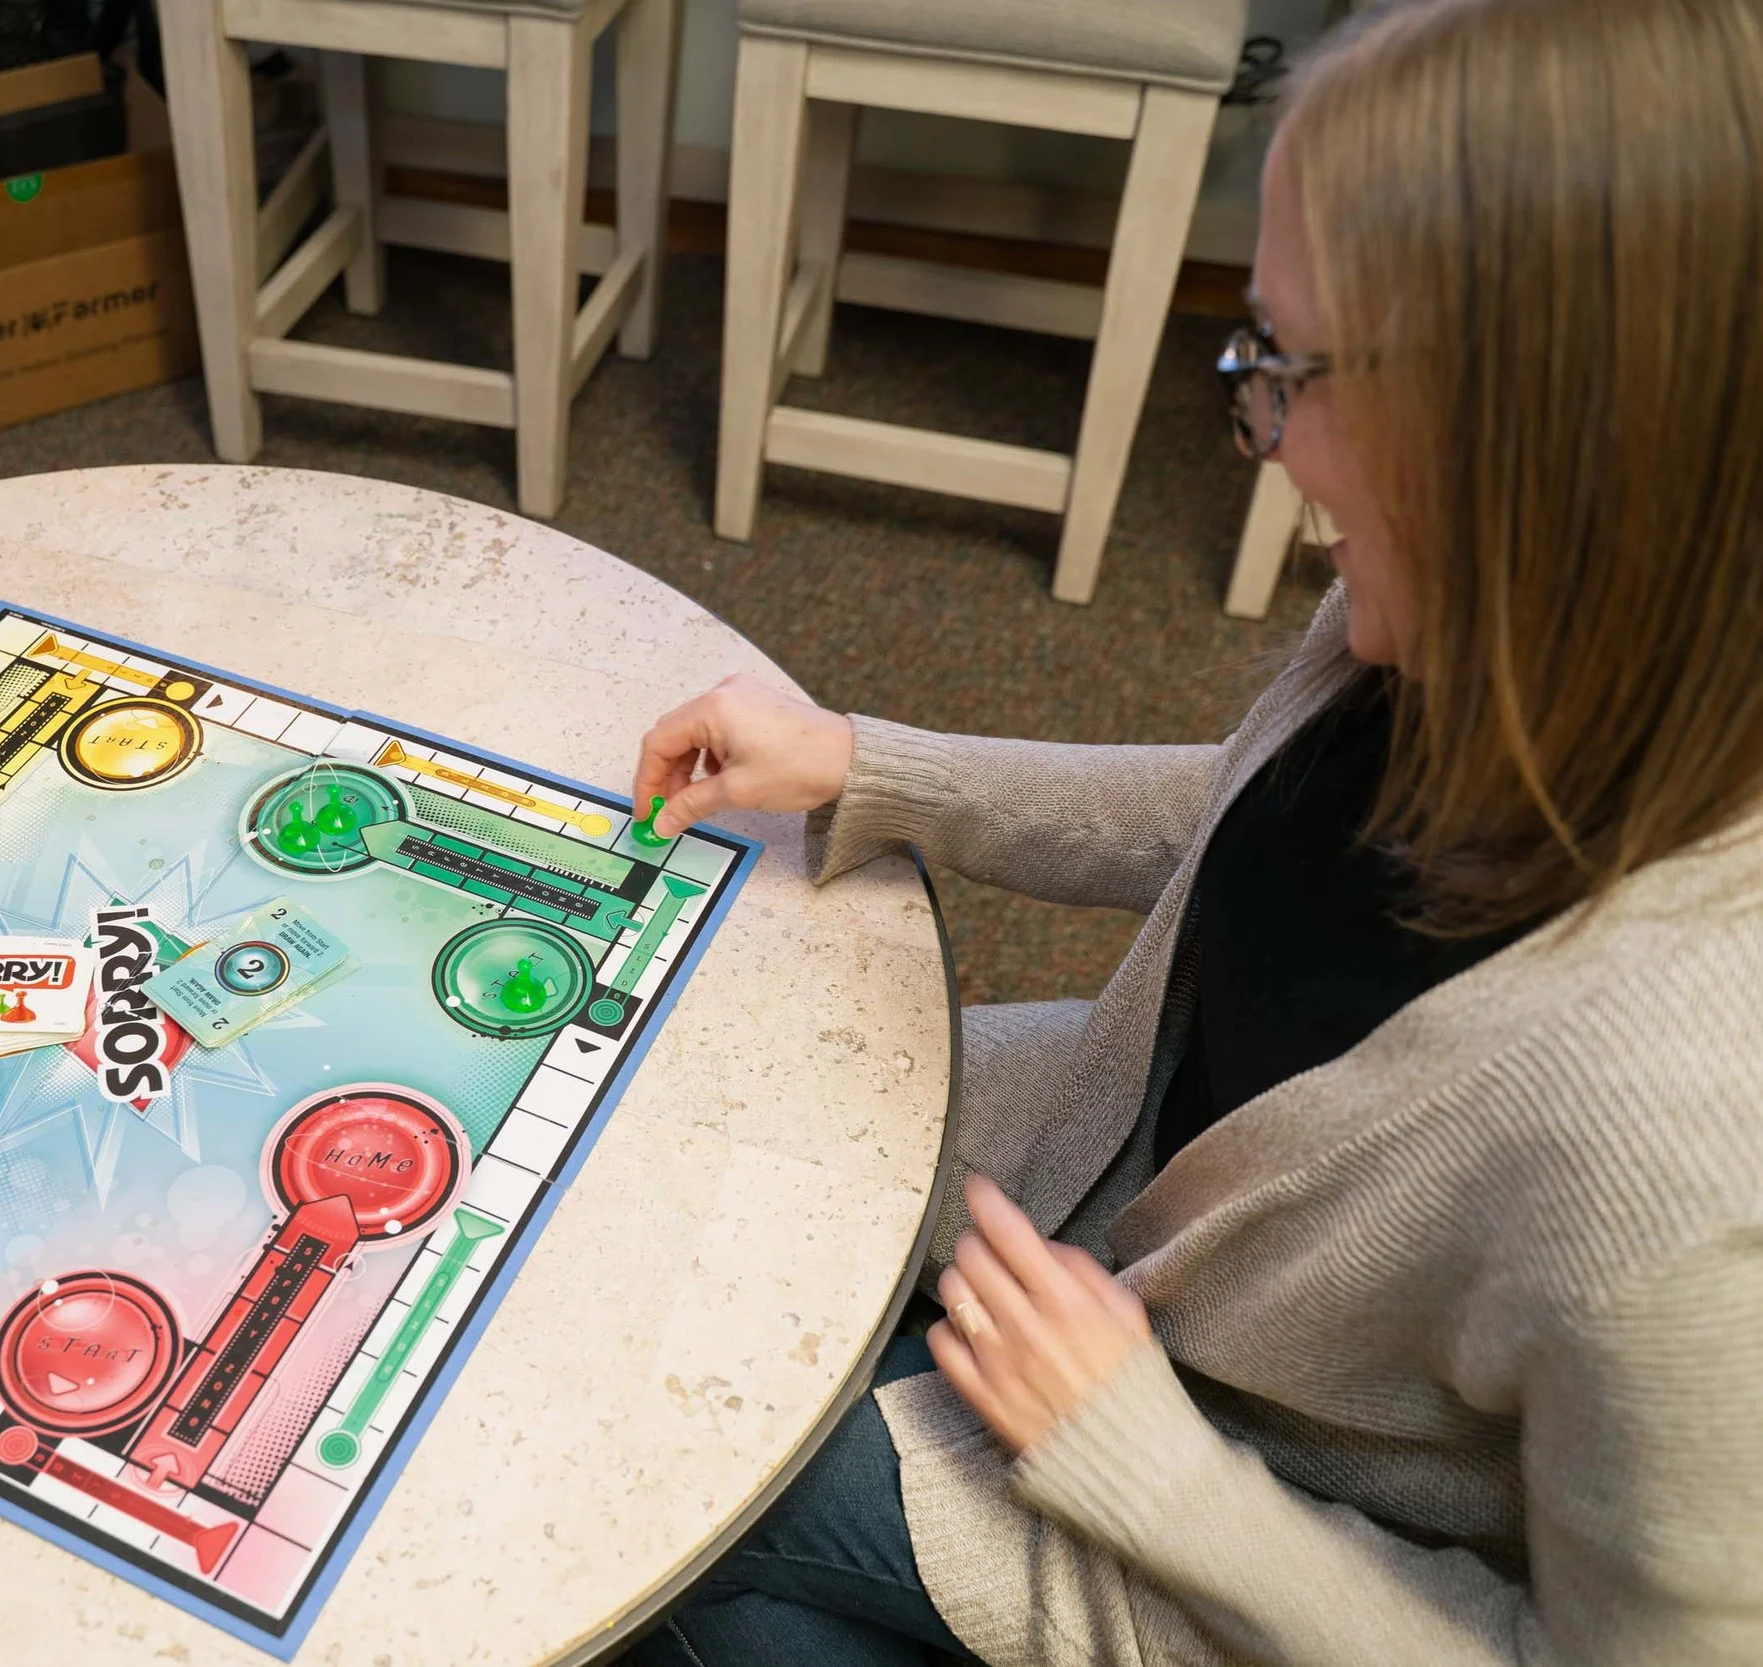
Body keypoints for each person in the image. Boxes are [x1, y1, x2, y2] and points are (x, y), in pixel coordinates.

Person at [627, 0, 1763, 1661]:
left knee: (688, 1489)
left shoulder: (1683, 1139)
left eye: (1292, 374)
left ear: (1541, 448)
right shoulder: (1470, 625)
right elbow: (1248, 819)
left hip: (1225, 1500)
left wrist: (1156, 1476)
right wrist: (878, 762)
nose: (1265, 443)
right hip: (1102, 1207)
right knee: (672, 1128)